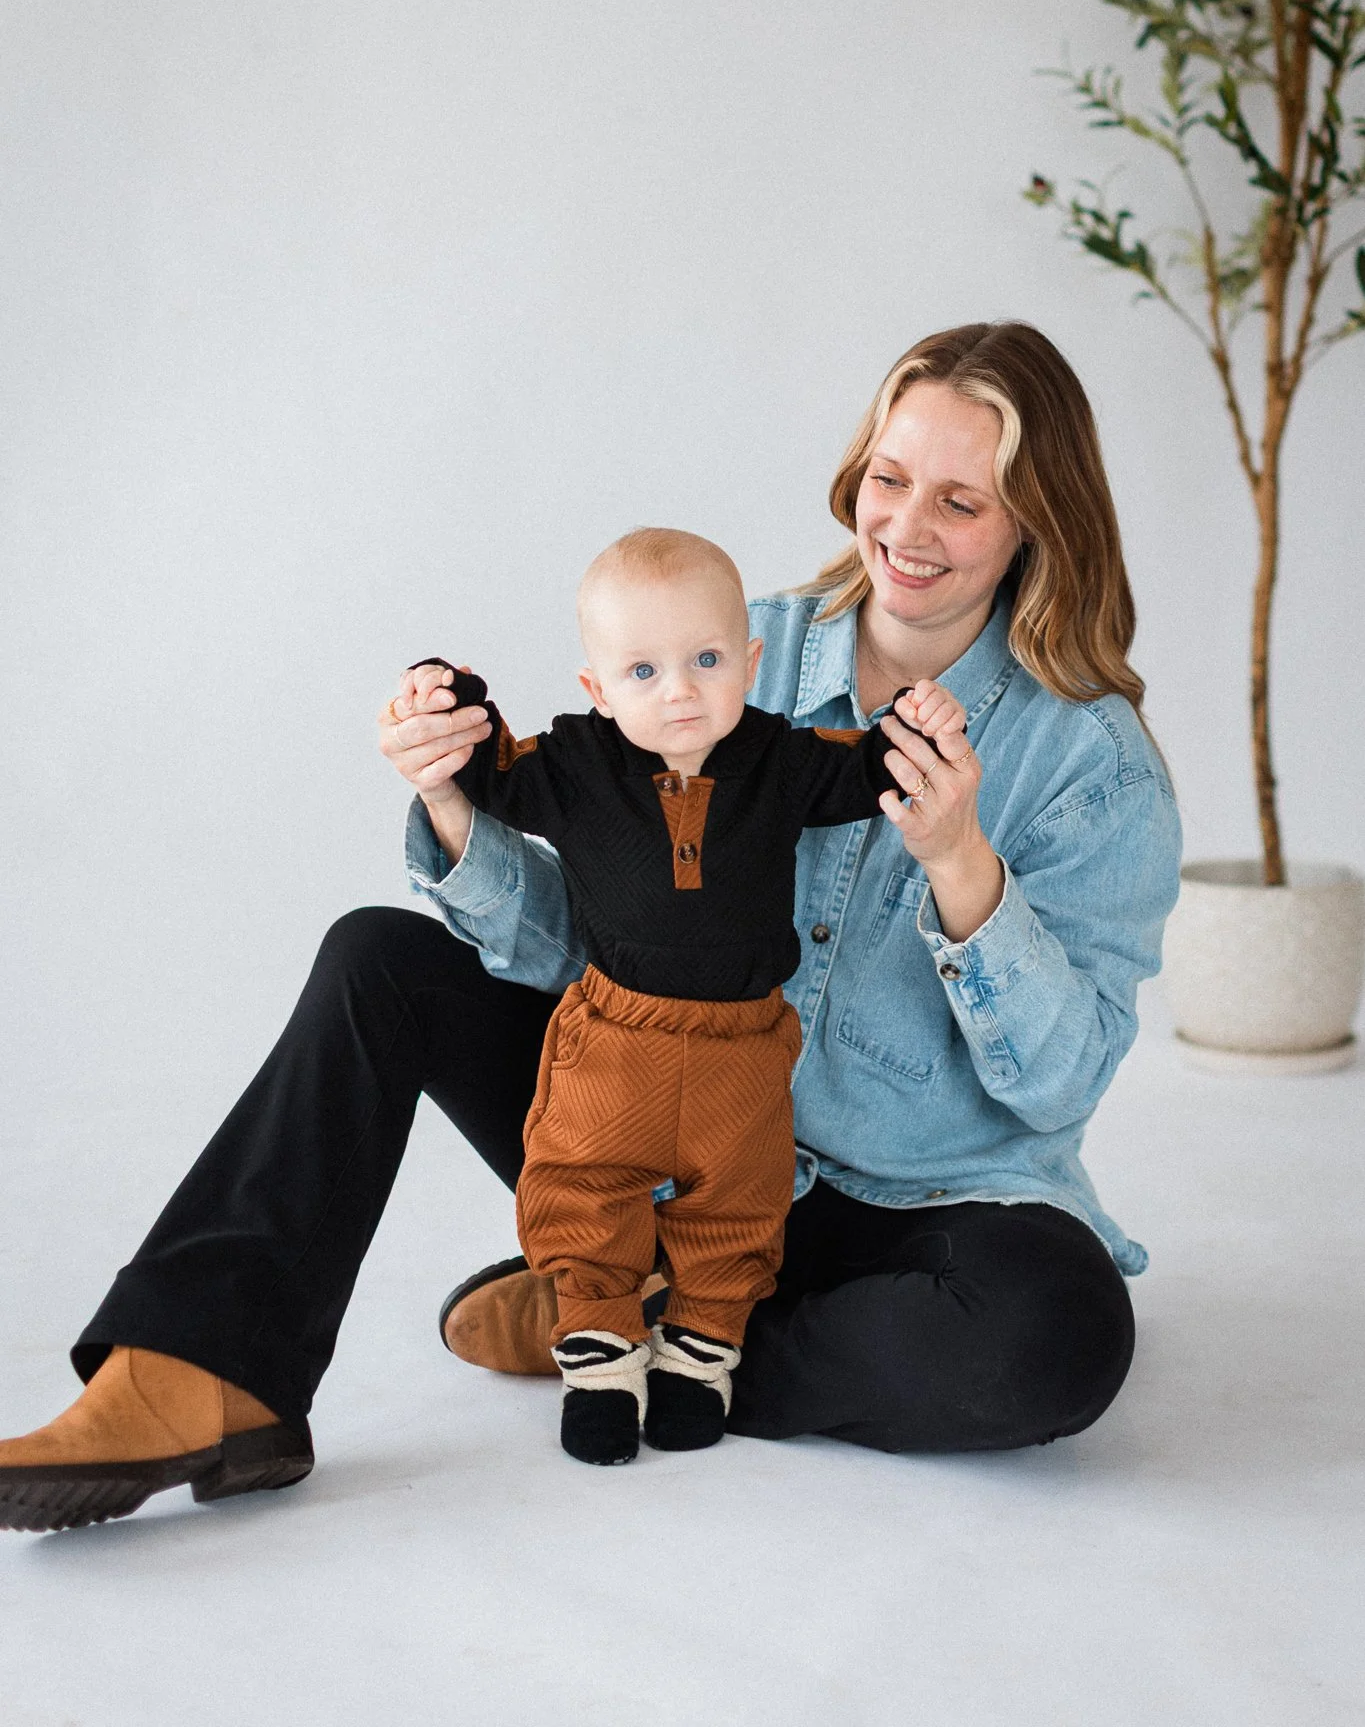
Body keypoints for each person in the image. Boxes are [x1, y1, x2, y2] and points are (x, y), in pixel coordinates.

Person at [0, 320, 1181, 1535]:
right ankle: (203, 1372)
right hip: (645, 1130)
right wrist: (454, 802)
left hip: (901, 1212)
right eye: (889, 477)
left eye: (961, 501)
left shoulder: (1094, 764)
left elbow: (1059, 1083)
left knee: (1057, 1334)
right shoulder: (722, 647)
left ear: (1036, 519)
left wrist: (962, 865)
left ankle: (624, 1324)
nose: (907, 526)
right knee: (376, 956)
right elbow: (602, 942)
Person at [412, 527, 963, 1464]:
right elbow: (487, 770)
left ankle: (699, 1356)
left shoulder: (779, 757)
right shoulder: (575, 764)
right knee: (584, 1187)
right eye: (642, 671)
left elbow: (868, 768)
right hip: (613, 1037)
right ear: (596, 688)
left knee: (738, 1207)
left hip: (742, 1048)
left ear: (749, 661)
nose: (679, 691)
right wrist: (448, 699)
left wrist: (920, 727)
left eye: (706, 660)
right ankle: (598, 1357)